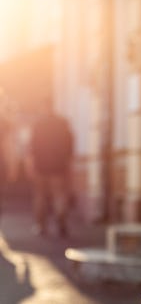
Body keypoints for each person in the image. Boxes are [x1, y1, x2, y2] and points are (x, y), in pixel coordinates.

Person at [27, 99, 74, 237]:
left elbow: (32, 146)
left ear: (43, 107)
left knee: (40, 195)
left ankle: (41, 226)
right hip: (59, 164)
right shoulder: (62, 123)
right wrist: (68, 161)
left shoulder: (38, 125)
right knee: (59, 194)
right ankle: (61, 223)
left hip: (40, 164)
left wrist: (30, 164)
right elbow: (70, 142)